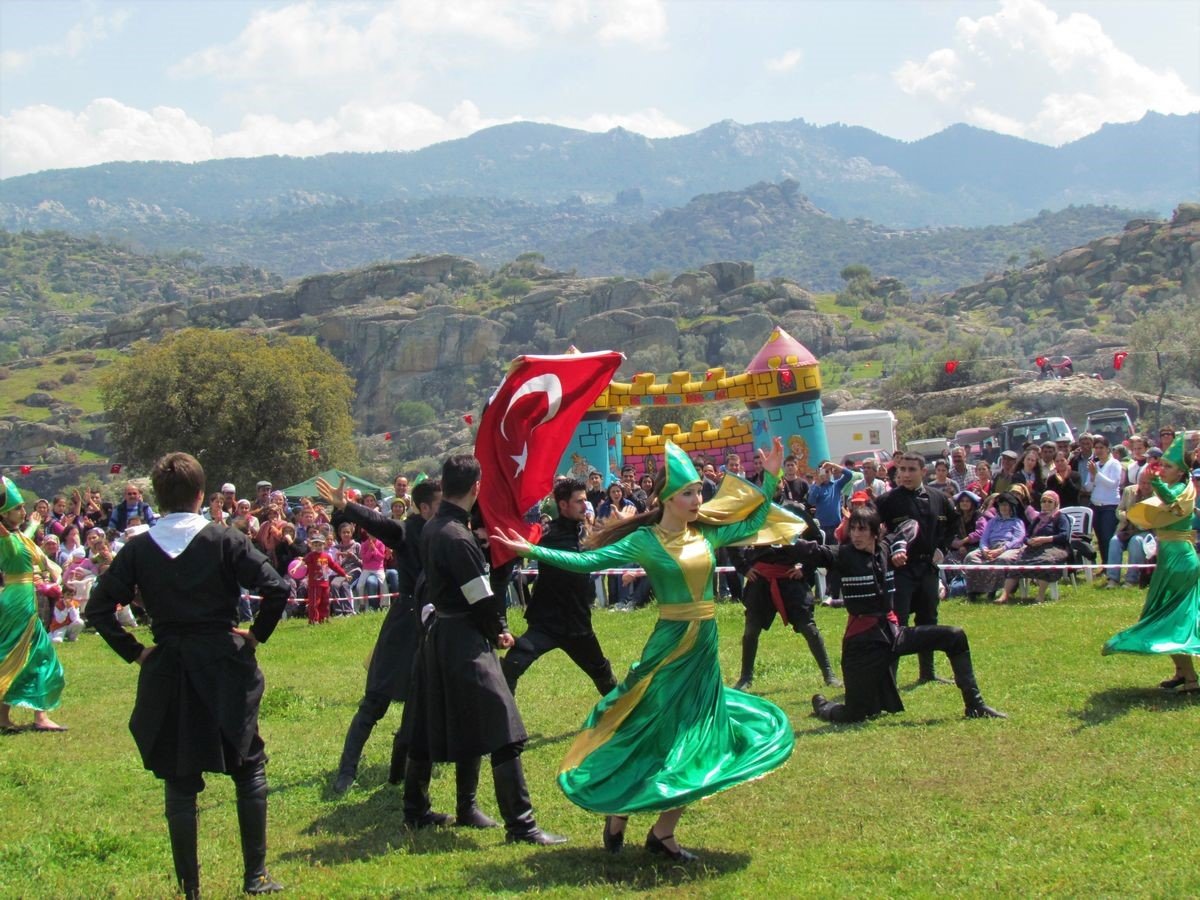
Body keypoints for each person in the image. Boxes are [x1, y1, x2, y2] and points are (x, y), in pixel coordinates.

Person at [492, 438, 796, 863]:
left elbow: (758, 518)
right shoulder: (644, 541)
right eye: (688, 493)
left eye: (698, 492)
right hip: (668, 647)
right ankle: (618, 809)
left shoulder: (707, 531)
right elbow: (585, 562)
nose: (696, 499)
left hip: (704, 647)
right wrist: (531, 551)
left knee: (701, 737)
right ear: (667, 498)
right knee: (651, 730)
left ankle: (663, 833)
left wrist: (772, 476)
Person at [84, 452, 290, 897]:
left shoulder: (138, 548)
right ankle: (255, 877)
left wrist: (137, 652)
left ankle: (189, 889)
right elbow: (278, 586)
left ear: (157, 496)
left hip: (170, 666)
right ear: (202, 495)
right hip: (224, 662)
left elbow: (97, 608)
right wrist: (255, 636)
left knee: (179, 780)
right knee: (248, 763)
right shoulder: (225, 539)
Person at [401, 455, 566, 845]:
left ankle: (417, 809)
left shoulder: (434, 527)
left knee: (431, 722)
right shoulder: (457, 537)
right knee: (503, 729)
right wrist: (498, 630)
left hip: (440, 636)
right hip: (463, 639)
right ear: (476, 488)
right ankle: (522, 826)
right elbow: (479, 595)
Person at [801, 507, 1006, 723]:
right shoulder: (842, 555)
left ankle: (974, 705)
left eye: (862, 530)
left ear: (875, 531)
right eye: (853, 530)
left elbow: (911, 525)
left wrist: (899, 546)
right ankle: (823, 705)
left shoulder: (884, 548)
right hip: (862, 644)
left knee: (955, 636)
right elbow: (808, 551)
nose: (856, 535)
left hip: (893, 634)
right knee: (855, 714)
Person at [1102, 435, 1200, 692]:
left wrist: (1155, 479)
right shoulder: (1178, 486)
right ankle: (1181, 673)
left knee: (1172, 618)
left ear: (1181, 472)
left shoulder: (1182, 490)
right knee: (1163, 614)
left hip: (1180, 560)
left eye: (1168, 466)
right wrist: (1156, 480)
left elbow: (1171, 501)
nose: (1163, 469)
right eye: (1162, 465)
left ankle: (1190, 679)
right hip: (1171, 557)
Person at [732, 505, 840, 690]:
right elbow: (732, 540)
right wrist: (744, 567)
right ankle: (745, 678)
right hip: (760, 580)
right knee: (751, 630)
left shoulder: (793, 510)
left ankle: (829, 674)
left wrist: (805, 569)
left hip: (790, 580)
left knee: (809, 628)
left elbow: (815, 540)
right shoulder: (756, 510)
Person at [876, 452, 960, 683]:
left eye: (911, 470)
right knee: (897, 623)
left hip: (928, 569)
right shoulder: (887, 501)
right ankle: (890, 678)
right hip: (900, 571)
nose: (905, 474)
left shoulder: (939, 498)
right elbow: (871, 530)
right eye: (901, 469)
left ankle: (928, 673)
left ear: (924, 472)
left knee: (928, 620)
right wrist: (888, 550)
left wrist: (943, 548)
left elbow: (954, 523)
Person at [0, 476, 67, 734]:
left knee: (18, 651)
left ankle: (8, 717)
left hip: (22, 595)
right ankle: (40, 717)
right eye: (18, 508)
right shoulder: (5, 538)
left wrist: (31, 525)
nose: (24, 511)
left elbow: (27, 544)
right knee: (31, 652)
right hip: (18, 599)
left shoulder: (19, 538)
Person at [995, 490, 1071, 605]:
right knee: (1018, 562)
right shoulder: (1038, 518)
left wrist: (1044, 539)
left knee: (1045, 561)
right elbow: (1026, 535)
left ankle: (1040, 595)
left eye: (1049, 502)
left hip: (1055, 547)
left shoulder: (1061, 517)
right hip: (1034, 547)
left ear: (1056, 504)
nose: (1046, 504)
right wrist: (1029, 541)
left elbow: (1064, 536)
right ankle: (1005, 595)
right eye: (1043, 501)